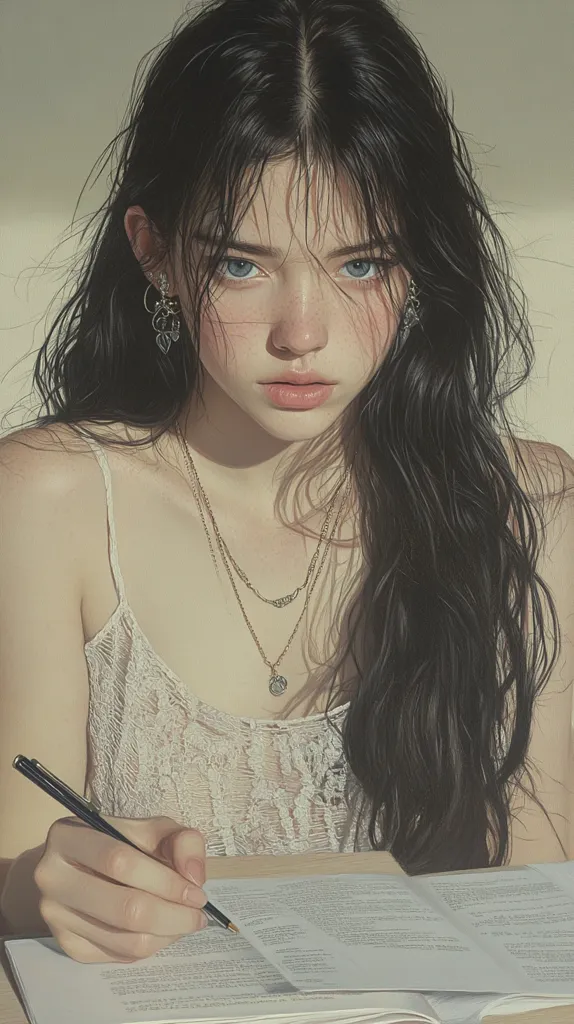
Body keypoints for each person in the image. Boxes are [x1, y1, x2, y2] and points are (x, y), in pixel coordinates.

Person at [0, 0, 572, 968]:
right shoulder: (49, 501)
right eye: (241, 263)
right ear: (154, 253)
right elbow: (18, 877)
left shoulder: (526, 509)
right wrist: (47, 882)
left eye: (359, 262)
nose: (301, 332)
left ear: (417, 262)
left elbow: (538, 905)